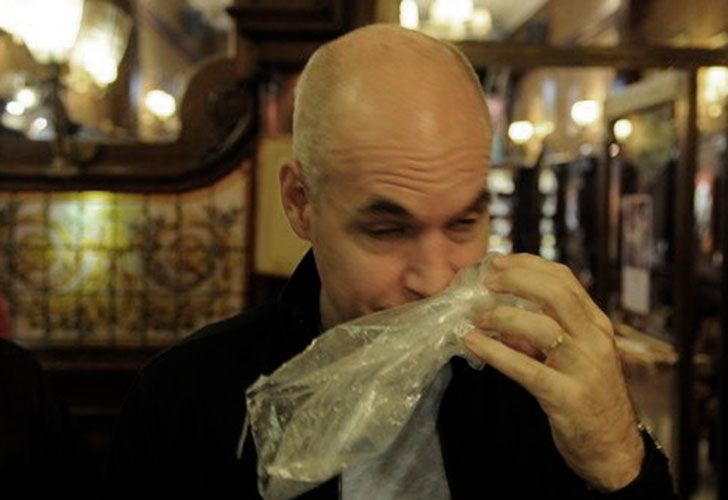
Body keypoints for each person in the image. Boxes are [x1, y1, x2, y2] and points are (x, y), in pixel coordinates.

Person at [106, 24, 676, 499]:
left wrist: (619, 459)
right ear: (300, 203)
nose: (435, 279)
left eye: (463, 223)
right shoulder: (184, 402)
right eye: (387, 230)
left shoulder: (536, 390)